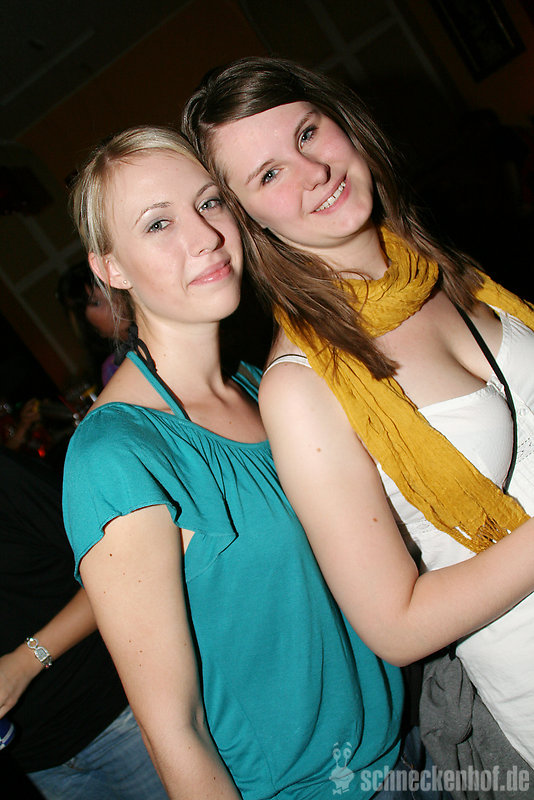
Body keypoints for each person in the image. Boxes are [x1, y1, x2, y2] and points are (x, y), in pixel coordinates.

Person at [59, 123, 453, 800]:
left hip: (413, 745)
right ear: (110, 269)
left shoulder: (257, 384)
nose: (206, 236)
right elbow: (174, 731)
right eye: (158, 224)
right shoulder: (117, 457)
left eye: (210, 202)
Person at [182, 56, 534, 780]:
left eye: (308, 133)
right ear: (248, 220)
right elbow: (395, 624)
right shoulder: (302, 387)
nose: (313, 172)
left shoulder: (433, 266)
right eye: (269, 175)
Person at [0, 446, 167, 800]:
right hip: (36, 762)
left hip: (118, 714)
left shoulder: (8, 478)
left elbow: (121, 565)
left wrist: (25, 662)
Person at [57, 261, 130, 388]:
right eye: (97, 303)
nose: (114, 303)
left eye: (112, 292)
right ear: (87, 324)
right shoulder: (114, 371)